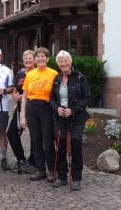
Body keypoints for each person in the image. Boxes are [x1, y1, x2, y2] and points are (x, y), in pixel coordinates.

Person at [50, 50, 90, 191]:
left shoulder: (79, 78)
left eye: (65, 60)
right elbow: (52, 99)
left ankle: (76, 178)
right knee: (60, 147)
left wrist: (73, 110)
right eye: (61, 61)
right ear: (58, 64)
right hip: (61, 118)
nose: (63, 63)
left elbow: (86, 98)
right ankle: (62, 176)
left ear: (70, 62)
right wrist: (57, 109)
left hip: (76, 119)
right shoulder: (57, 79)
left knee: (75, 147)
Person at [20, 47, 58, 182]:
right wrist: (22, 116)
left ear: (47, 58)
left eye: (43, 56)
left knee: (48, 141)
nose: (40, 58)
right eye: (38, 56)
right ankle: (40, 169)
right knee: (35, 141)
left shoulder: (53, 74)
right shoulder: (30, 74)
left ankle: (51, 170)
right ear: (35, 59)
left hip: (46, 109)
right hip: (32, 109)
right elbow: (24, 96)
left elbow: (57, 95)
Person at [7, 50, 36, 173]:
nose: (27, 60)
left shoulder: (37, 73)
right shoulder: (20, 73)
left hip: (34, 108)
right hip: (20, 109)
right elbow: (14, 89)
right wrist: (14, 96)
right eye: (25, 58)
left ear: (34, 60)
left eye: (30, 58)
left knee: (34, 137)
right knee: (11, 133)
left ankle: (33, 162)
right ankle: (21, 159)